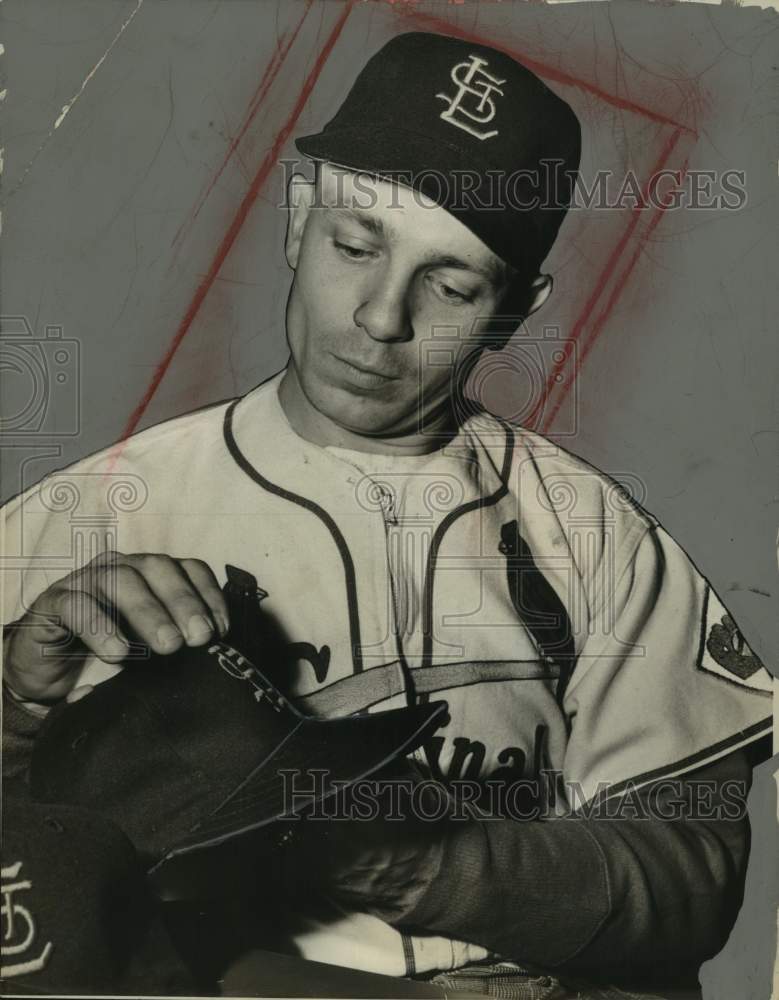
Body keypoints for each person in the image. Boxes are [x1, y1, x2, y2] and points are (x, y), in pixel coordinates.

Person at [2, 31, 772, 993]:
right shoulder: (90, 512)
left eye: (450, 284)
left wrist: (427, 865)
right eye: (354, 244)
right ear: (295, 221)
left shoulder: (593, 535)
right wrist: (14, 705)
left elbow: (694, 874)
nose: (379, 318)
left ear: (513, 311)